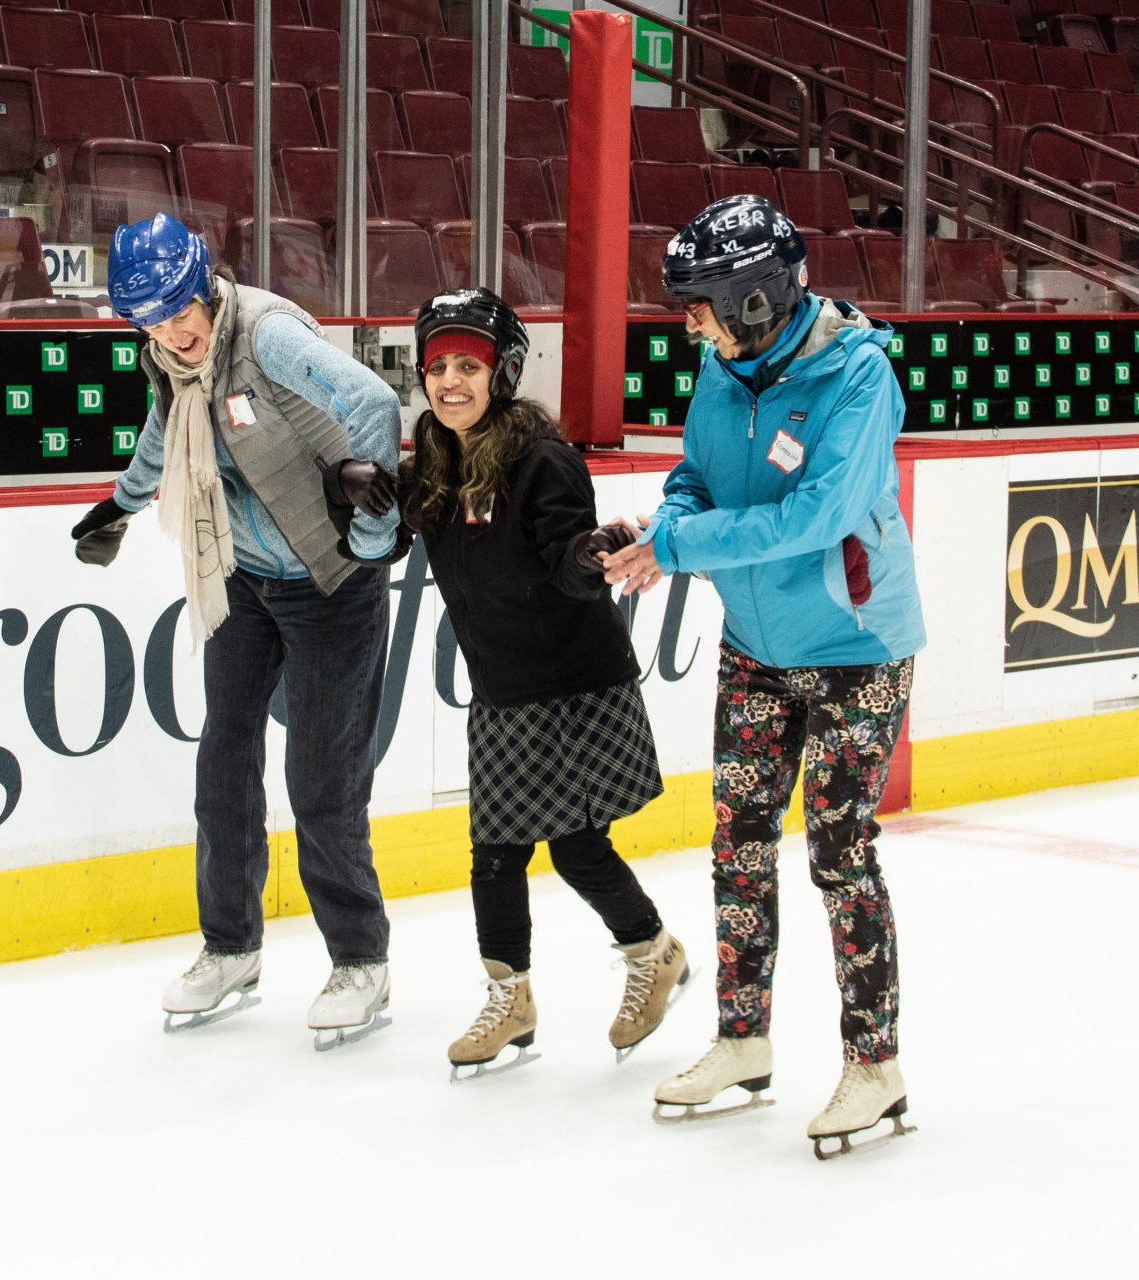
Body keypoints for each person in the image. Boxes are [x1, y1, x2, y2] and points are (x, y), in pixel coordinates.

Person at [602, 195, 925, 1157]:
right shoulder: (719, 368)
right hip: (755, 648)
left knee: (837, 849)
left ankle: (876, 1065)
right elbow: (695, 480)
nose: (686, 321)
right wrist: (663, 522)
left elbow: (817, 518)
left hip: (856, 651)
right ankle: (743, 1041)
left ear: (752, 298)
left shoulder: (859, 381)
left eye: (699, 303)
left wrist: (679, 543)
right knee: (738, 845)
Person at [71, 213, 403, 1049]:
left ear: (204, 283)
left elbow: (372, 402)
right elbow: (166, 428)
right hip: (243, 580)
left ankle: (361, 959)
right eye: (150, 322)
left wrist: (369, 536)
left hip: (330, 583)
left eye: (181, 311)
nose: (173, 333)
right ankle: (230, 947)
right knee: (222, 765)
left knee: (322, 780)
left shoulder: (267, 334)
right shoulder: (171, 357)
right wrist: (120, 501)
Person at [391, 288, 688, 1081]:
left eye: (469, 366)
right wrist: (360, 491)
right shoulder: (434, 460)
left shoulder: (542, 458)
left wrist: (591, 555)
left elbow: (563, 555)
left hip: (571, 686)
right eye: (437, 367)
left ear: (505, 371)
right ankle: (510, 997)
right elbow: (395, 533)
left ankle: (653, 955)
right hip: (501, 694)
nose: (450, 382)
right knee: (493, 856)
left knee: (578, 849)